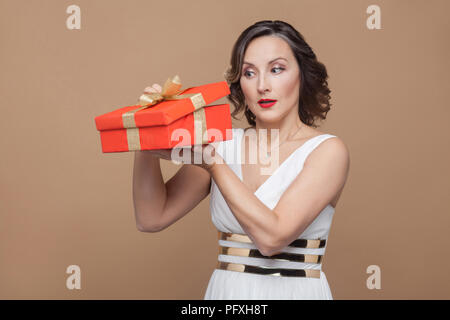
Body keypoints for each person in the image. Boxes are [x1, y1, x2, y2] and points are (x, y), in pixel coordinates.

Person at [132, 20, 350, 300]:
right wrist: (145, 134)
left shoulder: (327, 151)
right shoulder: (224, 144)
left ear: (302, 75)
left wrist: (214, 164)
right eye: (249, 73)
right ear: (239, 84)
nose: (262, 85)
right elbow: (151, 218)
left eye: (277, 69)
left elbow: (272, 239)